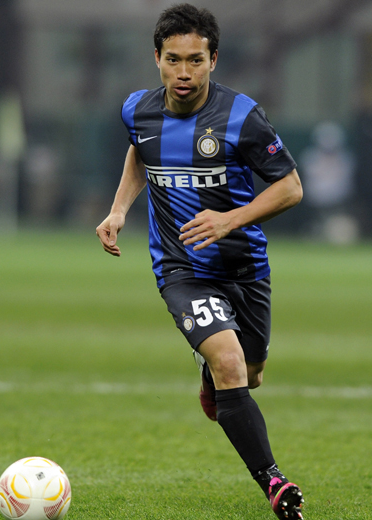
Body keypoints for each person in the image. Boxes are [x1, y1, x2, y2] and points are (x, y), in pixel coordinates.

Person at [96, 4, 304, 519]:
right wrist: (119, 210)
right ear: (157, 58)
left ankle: (213, 380)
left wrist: (230, 220)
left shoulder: (242, 116)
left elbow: (290, 188)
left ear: (213, 60)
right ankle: (275, 482)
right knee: (229, 362)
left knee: (250, 373)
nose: (183, 72)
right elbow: (140, 151)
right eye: (173, 60)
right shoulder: (137, 110)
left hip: (245, 267)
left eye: (195, 60)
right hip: (182, 269)